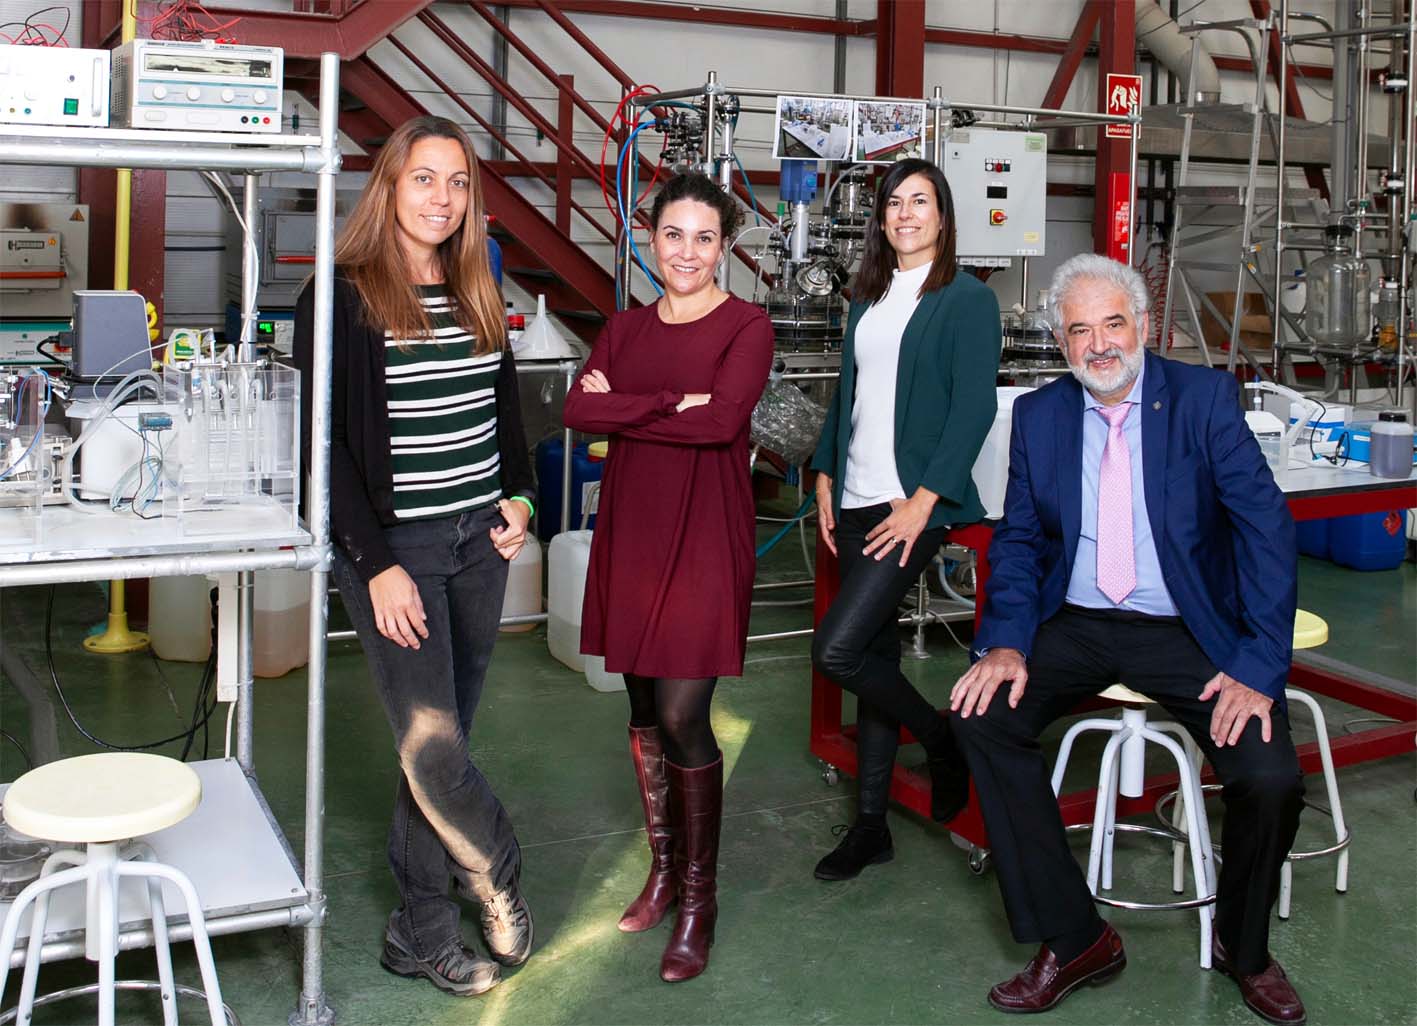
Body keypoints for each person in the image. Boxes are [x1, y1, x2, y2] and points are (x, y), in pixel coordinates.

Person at [949, 253, 1305, 1025]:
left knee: (1269, 777)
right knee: (979, 717)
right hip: (1075, 622)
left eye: (1113, 323)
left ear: (1142, 326)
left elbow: (1265, 533)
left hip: (1185, 626)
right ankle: (1075, 938)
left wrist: (1256, 662)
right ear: (1059, 340)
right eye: (1079, 329)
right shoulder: (1040, 416)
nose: (1099, 344)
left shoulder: (1202, 400)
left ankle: (1242, 950)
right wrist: (1005, 639)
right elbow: (1016, 542)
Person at [294, 115, 534, 998]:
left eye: (458, 182)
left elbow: (504, 419)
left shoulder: (477, 285)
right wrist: (375, 564)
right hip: (398, 551)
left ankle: (417, 932)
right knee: (434, 751)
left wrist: (521, 499)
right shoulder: (342, 296)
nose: (442, 198)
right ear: (390, 186)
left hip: (482, 542)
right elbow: (325, 449)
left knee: (439, 748)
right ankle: (498, 873)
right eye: (425, 179)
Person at [562, 171, 773, 983]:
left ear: (724, 246)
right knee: (644, 704)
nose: (687, 252)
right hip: (634, 534)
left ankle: (697, 898)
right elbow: (579, 414)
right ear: (650, 241)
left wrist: (633, 407)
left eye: (705, 237)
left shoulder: (746, 326)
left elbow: (722, 420)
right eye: (673, 235)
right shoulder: (623, 327)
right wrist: (667, 403)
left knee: (686, 714)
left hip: (704, 537)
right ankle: (660, 868)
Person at [807, 158, 1001, 881]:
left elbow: (972, 407)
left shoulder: (965, 300)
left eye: (919, 201)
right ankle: (869, 825)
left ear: (942, 217)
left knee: (836, 650)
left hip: (905, 506)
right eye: (893, 203)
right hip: (853, 498)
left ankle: (942, 737)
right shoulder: (869, 297)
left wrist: (924, 501)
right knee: (872, 658)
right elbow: (848, 394)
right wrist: (824, 472)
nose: (904, 213)